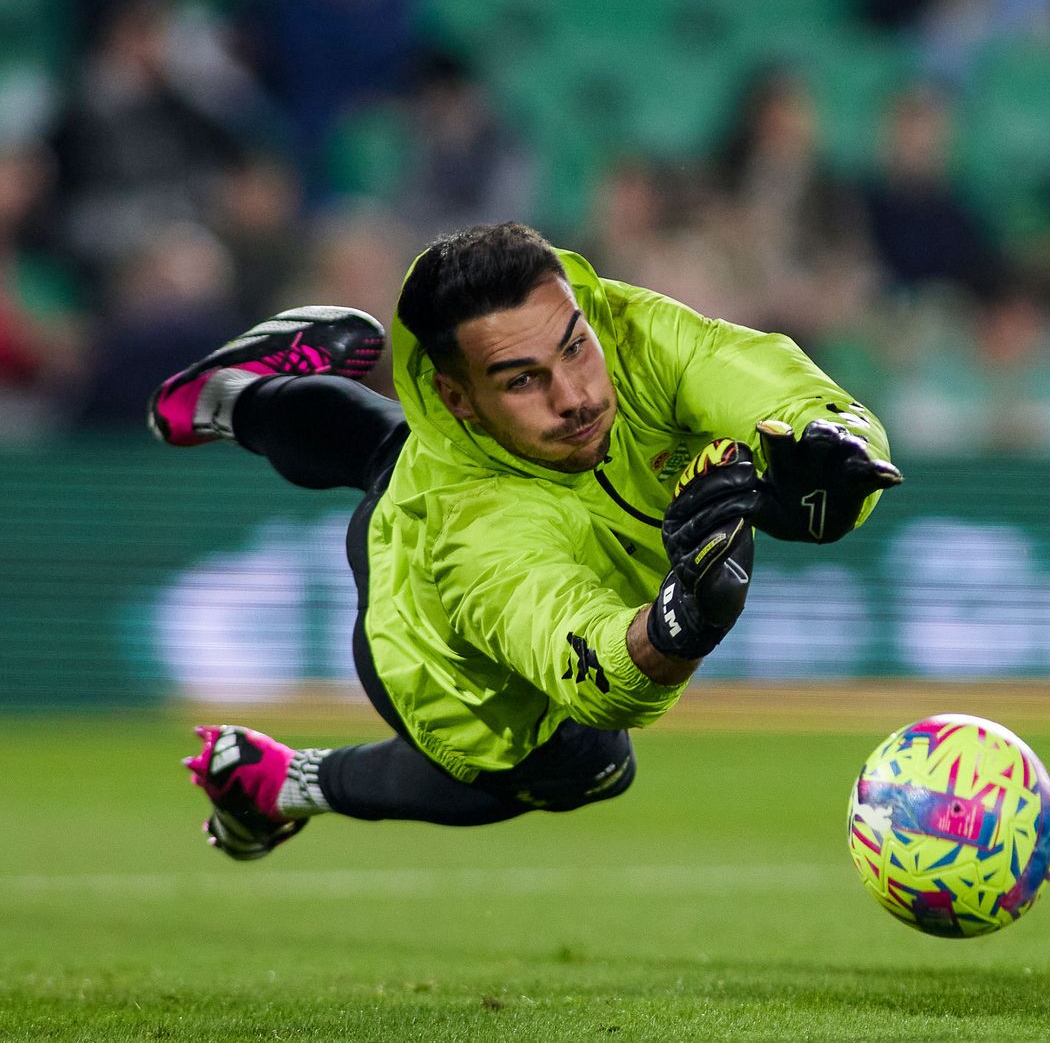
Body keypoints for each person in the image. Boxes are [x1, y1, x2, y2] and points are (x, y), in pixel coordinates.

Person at [147, 221, 900, 860]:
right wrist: (680, 628)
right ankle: (283, 785)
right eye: (520, 380)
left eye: (575, 347)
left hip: (450, 462)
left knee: (390, 447)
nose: (574, 395)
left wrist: (828, 456)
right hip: (432, 651)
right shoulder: (477, 531)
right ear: (458, 396)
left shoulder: (631, 334)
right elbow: (587, 668)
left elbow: (780, 387)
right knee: (587, 765)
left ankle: (222, 398)